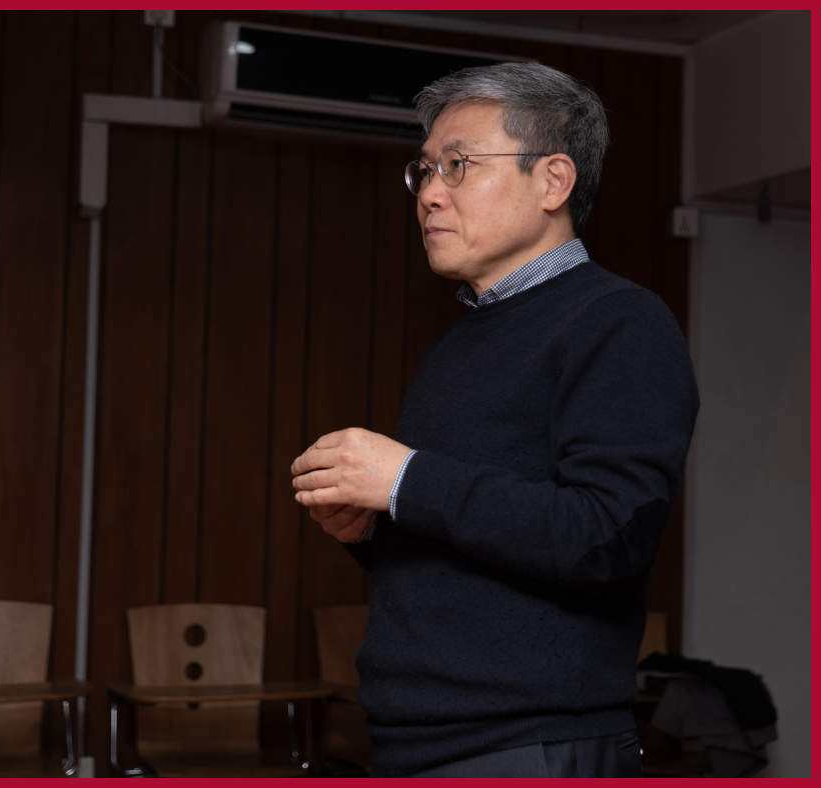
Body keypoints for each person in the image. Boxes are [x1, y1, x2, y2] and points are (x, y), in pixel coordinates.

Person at [290, 62, 698, 778]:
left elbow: (606, 538)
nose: (430, 193)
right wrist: (373, 527)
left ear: (553, 181)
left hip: (527, 745)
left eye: (459, 165)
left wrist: (406, 480)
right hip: (413, 742)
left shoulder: (621, 322)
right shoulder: (457, 344)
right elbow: (469, 547)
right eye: (425, 170)